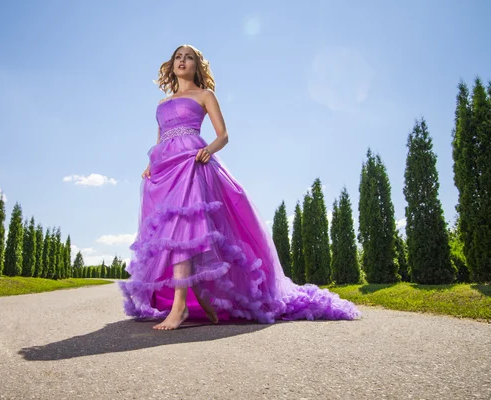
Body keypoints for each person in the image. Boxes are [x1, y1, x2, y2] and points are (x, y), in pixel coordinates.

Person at [118, 44, 360, 330]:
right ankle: (202, 295)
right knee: (173, 234)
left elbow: (224, 135)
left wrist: (208, 150)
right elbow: (160, 140)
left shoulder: (205, 95)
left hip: (193, 162)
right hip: (165, 168)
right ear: (172, 66)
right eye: (178, 58)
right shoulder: (161, 105)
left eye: (189, 58)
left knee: (186, 228)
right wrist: (150, 164)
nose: (183, 61)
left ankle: (181, 306)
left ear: (198, 66)